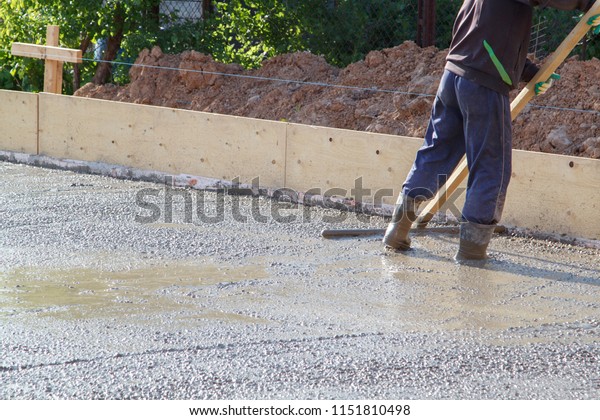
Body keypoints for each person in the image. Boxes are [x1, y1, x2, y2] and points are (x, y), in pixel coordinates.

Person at [383, 0, 600, 260]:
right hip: (483, 84)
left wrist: (529, 72)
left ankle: (397, 230)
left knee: (436, 152)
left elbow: (485, 33)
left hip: (453, 77)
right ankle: (472, 251)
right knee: (490, 165)